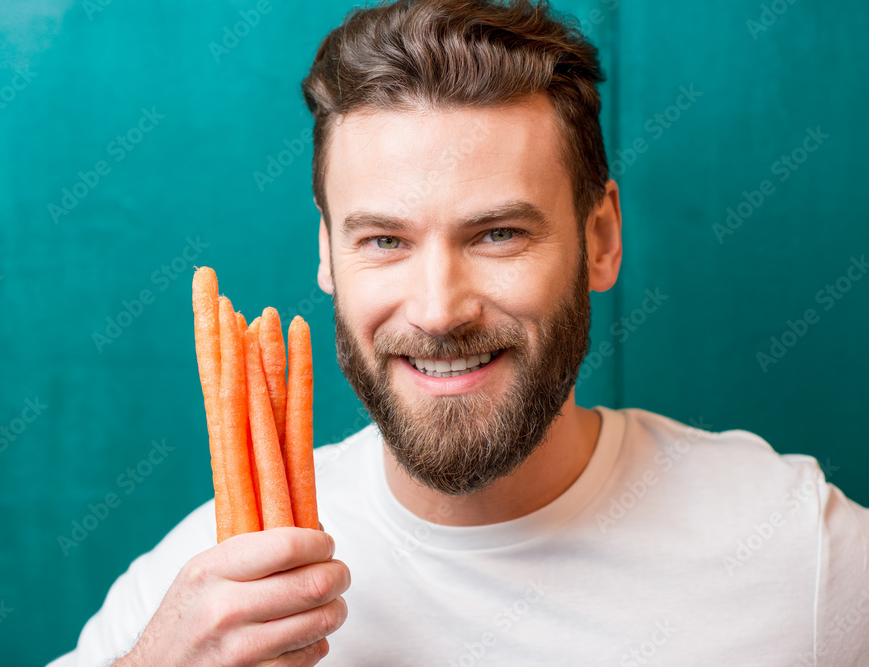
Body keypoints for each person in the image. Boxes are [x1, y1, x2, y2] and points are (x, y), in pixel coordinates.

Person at [49, 0, 869, 664]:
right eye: (384, 241)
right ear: (328, 254)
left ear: (601, 237)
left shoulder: (799, 550)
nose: (439, 310)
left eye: (499, 234)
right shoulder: (216, 579)